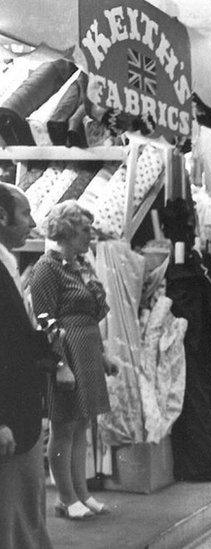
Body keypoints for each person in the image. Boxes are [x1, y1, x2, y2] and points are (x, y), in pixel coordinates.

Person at [29, 200, 120, 520]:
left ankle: (81, 493)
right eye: (84, 231)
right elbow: (44, 320)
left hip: (87, 350)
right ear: (66, 232)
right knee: (63, 427)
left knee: (81, 425)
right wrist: (60, 365)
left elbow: (91, 315)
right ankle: (66, 497)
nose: (89, 238)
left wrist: (103, 355)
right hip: (65, 353)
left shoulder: (79, 265)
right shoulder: (45, 268)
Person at [0, 183, 59, 548]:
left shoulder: (8, 262)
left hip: (22, 416)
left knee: (26, 512)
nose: (33, 223)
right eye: (25, 213)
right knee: (14, 518)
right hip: (10, 423)